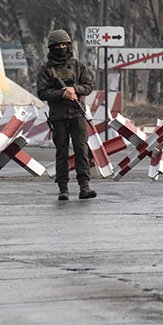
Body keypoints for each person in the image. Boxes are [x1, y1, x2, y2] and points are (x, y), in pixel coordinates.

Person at [36, 29, 96, 201]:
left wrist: (74, 90)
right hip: (58, 117)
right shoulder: (46, 69)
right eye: (57, 46)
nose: (61, 48)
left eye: (64, 45)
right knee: (61, 153)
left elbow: (88, 86)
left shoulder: (78, 65)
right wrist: (61, 94)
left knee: (81, 150)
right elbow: (42, 92)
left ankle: (84, 186)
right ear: (51, 48)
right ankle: (63, 189)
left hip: (77, 114)